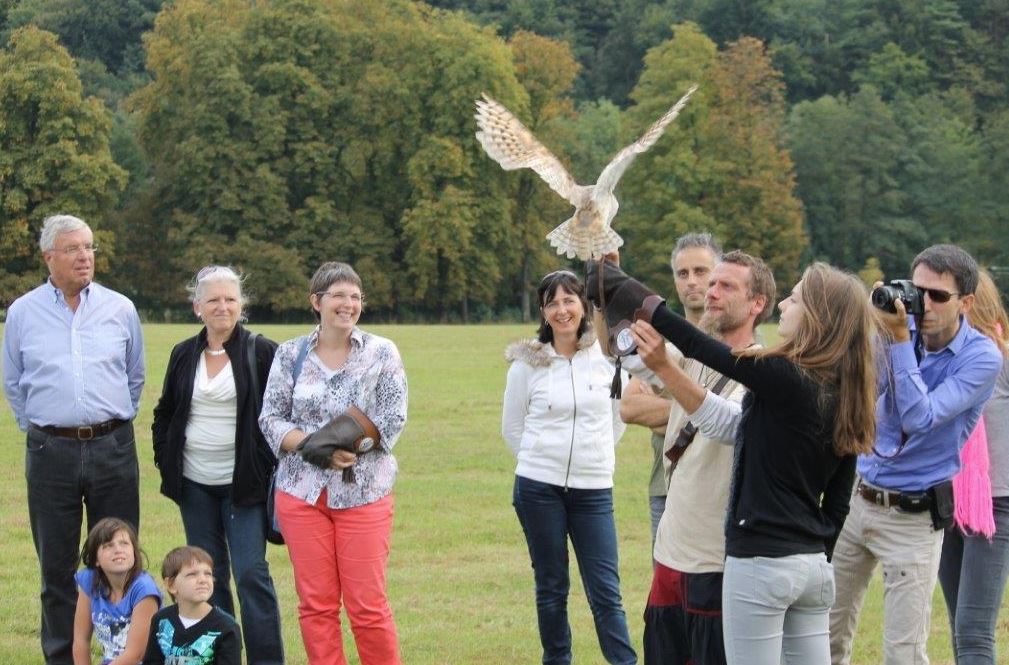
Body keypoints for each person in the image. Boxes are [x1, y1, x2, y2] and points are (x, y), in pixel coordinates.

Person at [588, 256, 878, 665]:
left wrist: (623, 287)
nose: (783, 305)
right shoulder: (847, 392)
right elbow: (837, 503)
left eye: (794, 299)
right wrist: (815, 552)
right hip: (811, 567)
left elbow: (697, 345)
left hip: (759, 562)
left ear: (817, 317)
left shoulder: (782, 375)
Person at [829, 245, 1003, 665]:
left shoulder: (982, 357)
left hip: (913, 516)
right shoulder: (896, 330)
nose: (923, 304)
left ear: (966, 303)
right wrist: (872, 330)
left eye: (937, 296)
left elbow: (919, 416)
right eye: (916, 290)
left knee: (903, 653)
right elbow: (859, 391)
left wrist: (900, 342)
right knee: (824, 635)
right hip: (858, 498)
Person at [2, 214, 145, 664]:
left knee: (121, 559)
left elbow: (135, 377)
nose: (85, 257)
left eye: (89, 247)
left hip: (113, 447)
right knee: (57, 569)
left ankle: (123, 655)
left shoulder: (120, 308)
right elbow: (14, 383)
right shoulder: (23, 313)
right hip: (51, 451)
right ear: (49, 257)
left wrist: (104, 424)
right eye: (73, 249)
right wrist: (49, 428)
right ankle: (63, 658)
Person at [259, 261, 408, 665]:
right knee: (316, 606)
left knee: (367, 605)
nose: (348, 304)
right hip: (301, 495)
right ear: (316, 301)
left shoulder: (381, 351)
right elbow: (271, 418)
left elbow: (393, 417)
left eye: (355, 296)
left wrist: (352, 448)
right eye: (338, 295)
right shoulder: (290, 353)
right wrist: (316, 447)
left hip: (365, 492)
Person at [633, 251, 775, 665]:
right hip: (669, 553)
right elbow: (620, 348)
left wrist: (667, 370)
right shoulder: (693, 359)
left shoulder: (765, 372)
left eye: (726, 286)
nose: (711, 292)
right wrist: (604, 277)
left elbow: (724, 423)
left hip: (717, 562)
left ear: (757, 303)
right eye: (712, 283)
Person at [502, 269, 637, 665]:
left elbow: (617, 419)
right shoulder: (527, 365)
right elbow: (513, 428)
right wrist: (540, 461)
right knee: (551, 587)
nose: (562, 310)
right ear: (543, 312)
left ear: (583, 305)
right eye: (553, 303)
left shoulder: (607, 360)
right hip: (538, 490)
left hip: (593, 490)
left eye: (569, 300)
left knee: (605, 591)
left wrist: (592, 457)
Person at [151, 265, 283, 663]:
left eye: (230, 299)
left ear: (241, 305)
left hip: (244, 486)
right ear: (198, 307)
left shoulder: (262, 351)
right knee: (209, 579)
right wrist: (166, 460)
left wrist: (263, 464)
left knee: (250, 574)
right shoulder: (183, 353)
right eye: (213, 300)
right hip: (194, 485)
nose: (222, 307)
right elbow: (165, 412)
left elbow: (281, 414)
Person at [620, 233, 721, 544]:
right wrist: (707, 412)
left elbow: (739, 420)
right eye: (682, 273)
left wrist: (669, 412)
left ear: (719, 274)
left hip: (720, 490)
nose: (691, 281)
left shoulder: (739, 343)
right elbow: (629, 408)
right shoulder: (660, 342)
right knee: (664, 575)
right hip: (665, 485)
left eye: (700, 271)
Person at [937, 270, 1009, 665]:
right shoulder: (940, 360)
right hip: (946, 503)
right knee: (958, 626)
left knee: (973, 632)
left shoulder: (1001, 358)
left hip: (995, 506)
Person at [72, 518, 161, 665]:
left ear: (134, 552)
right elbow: (81, 640)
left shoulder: (144, 590)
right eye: (108, 546)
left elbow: (135, 654)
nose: (118, 550)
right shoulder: (89, 581)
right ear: (96, 559)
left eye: (124, 543)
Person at [143, 546, 242, 665]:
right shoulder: (161, 620)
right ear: (171, 585)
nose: (202, 580)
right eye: (192, 574)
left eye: (208, 574)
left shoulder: (226, 627)